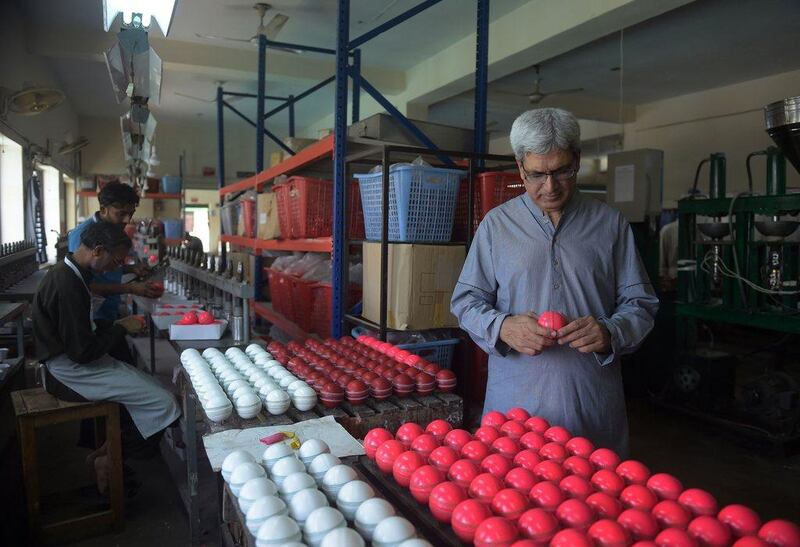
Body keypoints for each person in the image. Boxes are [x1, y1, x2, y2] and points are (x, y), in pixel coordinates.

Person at [451, 108, 658, 456]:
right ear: (520, 167)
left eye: (562, 171)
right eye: (536, 175)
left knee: (596, 498)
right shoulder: (496, 226)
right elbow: (465, 302)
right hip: (516, 405)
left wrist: (611, 332)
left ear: (576, 160)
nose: (550, 187)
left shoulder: (610, 225)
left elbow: (642, 304)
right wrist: (502, 327)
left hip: (590, 403)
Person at [33, 221, 181, 492]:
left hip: (77, 360)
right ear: (97, 251)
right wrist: (120, 327)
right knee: (164, 403)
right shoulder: (67, 284)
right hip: (67, 372)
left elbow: (82, 333)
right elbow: (82, 351)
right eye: (115, 261)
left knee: (156, 389)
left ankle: (104, 453)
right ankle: (110, 460)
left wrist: (115, 326)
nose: (116, 268)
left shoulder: (74, 274)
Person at [67, 182, 160, 325]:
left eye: (131, 214)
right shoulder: (82, 234)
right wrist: (129, 288)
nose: (127, 220)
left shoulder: (113, 228)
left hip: (108, 309)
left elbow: (102, 266)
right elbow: (80, 285)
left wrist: (131, 268)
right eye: (121, 213)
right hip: (92, 314)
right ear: (103, 209)